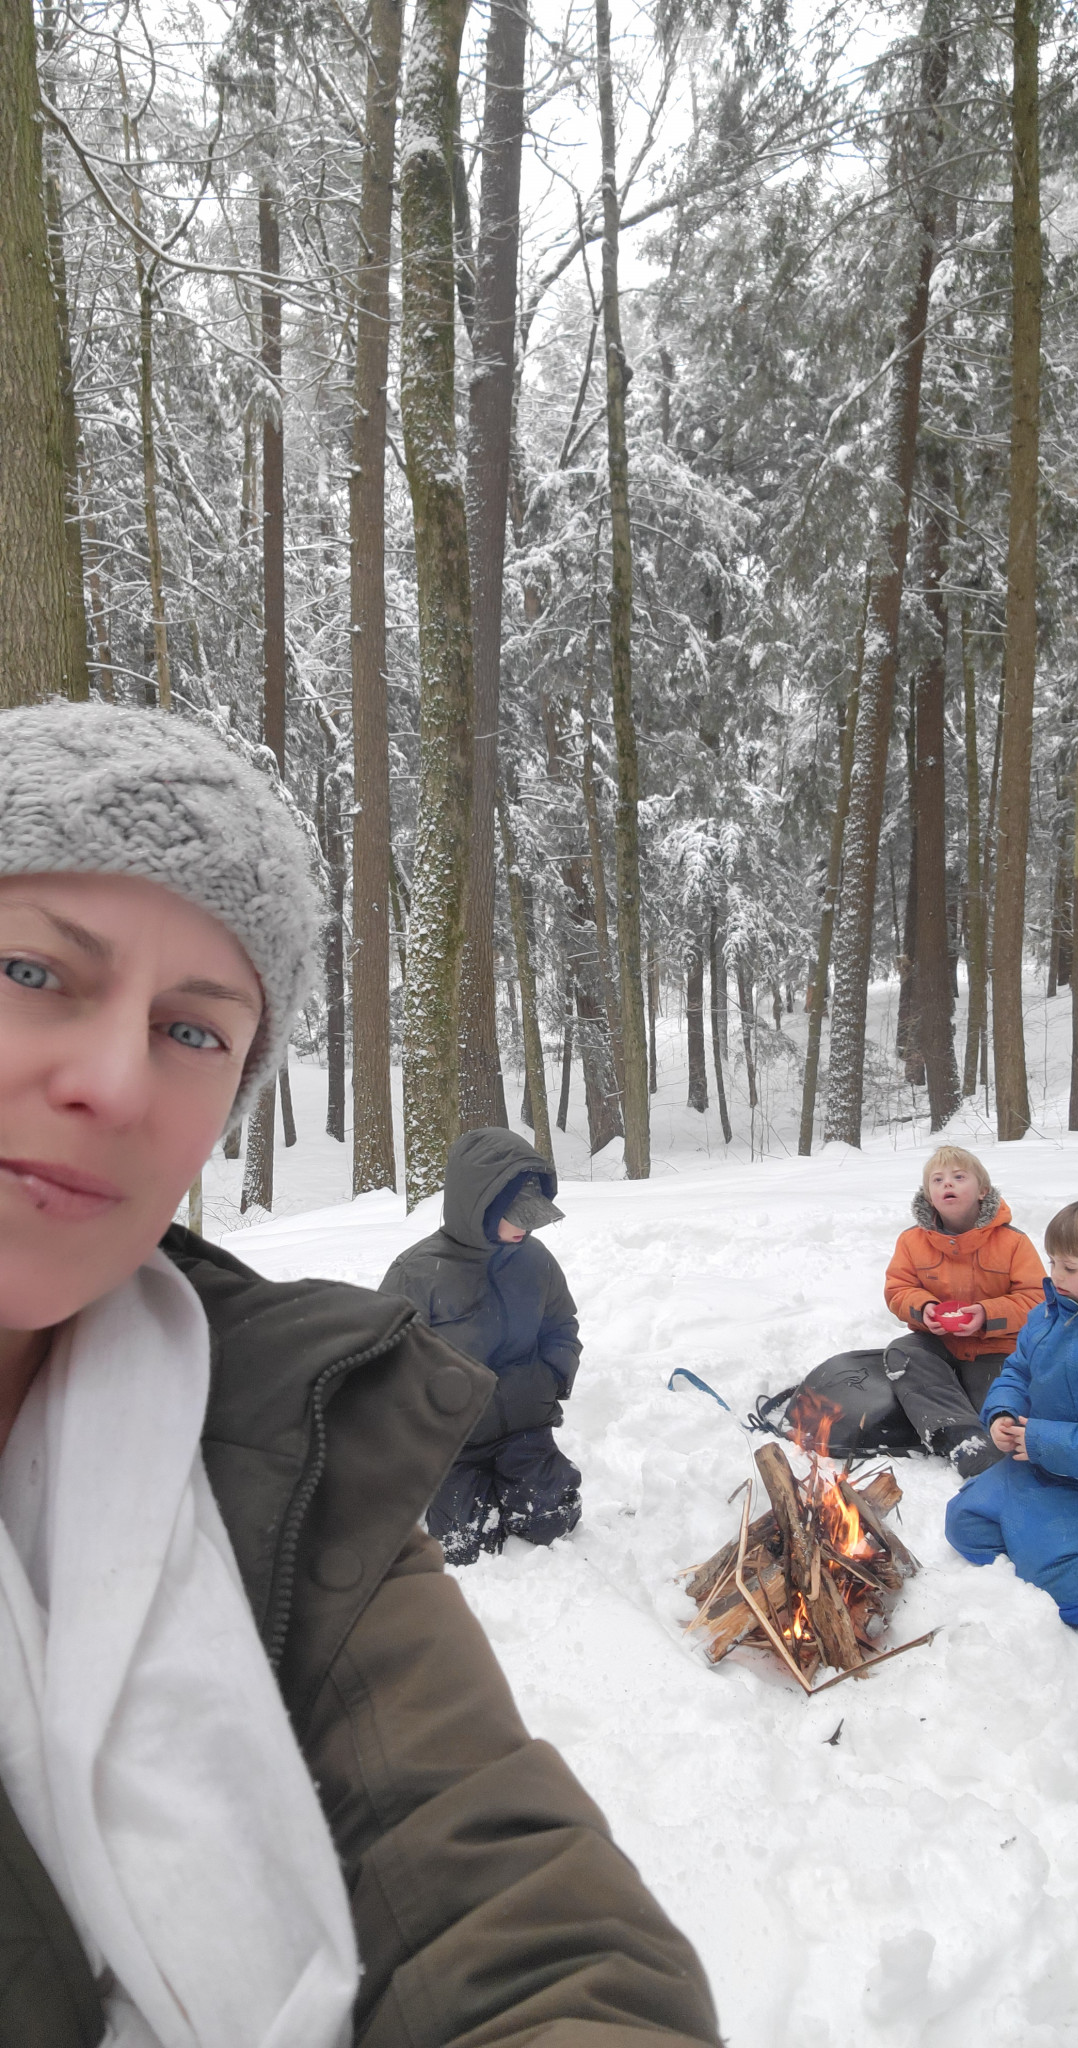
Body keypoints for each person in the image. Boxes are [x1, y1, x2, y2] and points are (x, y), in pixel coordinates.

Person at [0, 700, 720, 2048]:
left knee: (541, 1492)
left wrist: (548, 1390)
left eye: (194, 1031)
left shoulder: (279, 1440)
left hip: (516, 1430)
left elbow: (525, 1921)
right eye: (32, 969)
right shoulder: (411, 1284)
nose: (112, 1080)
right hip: (467, 1445)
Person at [946, 1198, 1078, 1629]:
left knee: (1076, 1598)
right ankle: (1039, 1544)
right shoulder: (1049, 1315)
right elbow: (1018, 1372)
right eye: (1053, 1261)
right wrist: (1003, 1412)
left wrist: (1040, 1441)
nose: (1055, 1275)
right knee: (966, 1524)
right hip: (1036, 1466)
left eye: (1069, 1267)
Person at [380, 1128, 582, 1565]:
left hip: (525, 1427)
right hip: (456, 1444)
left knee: (552, 1521)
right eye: (518, 1215)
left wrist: (549, 1379)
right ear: (481, 1206)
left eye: (534, 1216)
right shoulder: (417, 1273)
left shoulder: (536, 1260)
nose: (527, 1226)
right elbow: (387, 1367)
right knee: (463, 1547)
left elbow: (561, 1325)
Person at [883, 1146, 1046, 1476]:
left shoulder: (1013, 1242)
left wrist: (986, 1314)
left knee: (1002, 1405)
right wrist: (924, 1309)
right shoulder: (911, 1241)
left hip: (997, 1349)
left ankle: (991, 1439)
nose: (947, 1184)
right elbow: (897, 1290)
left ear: (982, 1190)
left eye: (959, 1177)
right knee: (902, 1353)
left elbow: (1036, 1299)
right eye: (938, 1180)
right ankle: (964, 1442)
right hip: (939, 1344)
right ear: (929, 1195)